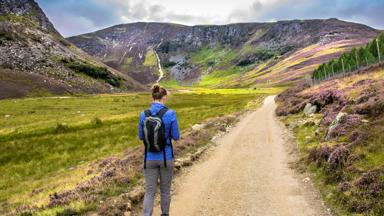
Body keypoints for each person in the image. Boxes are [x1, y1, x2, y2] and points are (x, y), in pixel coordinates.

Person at [138, 84, 180, 216]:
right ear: (164, 98)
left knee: (149, 191)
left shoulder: (143, 114)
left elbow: (140, 136)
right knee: (165, 191)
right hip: (166, 158)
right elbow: (176, 136)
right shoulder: (170, 113)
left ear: (153, 96)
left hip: (149, 159)